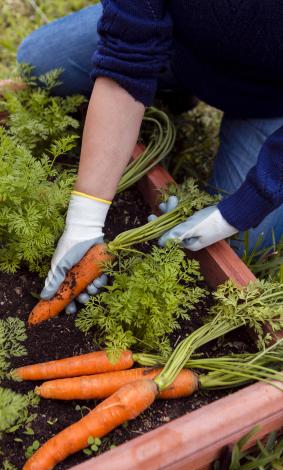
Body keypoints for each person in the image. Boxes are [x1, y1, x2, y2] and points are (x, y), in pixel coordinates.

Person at [17, 1, 283, 312]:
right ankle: (175, 87)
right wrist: (84, 221)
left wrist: (241, 208)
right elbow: (125, 58)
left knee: (240, 246)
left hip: (269, 99)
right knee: (39, 65)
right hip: (175, 45)